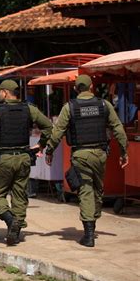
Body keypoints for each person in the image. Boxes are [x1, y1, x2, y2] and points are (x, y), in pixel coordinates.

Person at [45, 75, 128, 248]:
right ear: (91, 87)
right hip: (100, 154)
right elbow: (118, 128)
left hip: (80, 155)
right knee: (96, 189)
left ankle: (89, 234)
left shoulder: (69, 107)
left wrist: (49, 151)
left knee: (86, 190)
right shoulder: (104, 105)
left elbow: (57, 131)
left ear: (76, 89)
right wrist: (123, 151)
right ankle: (92, 223)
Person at [0, 79, 52, 246]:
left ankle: (11, 221)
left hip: (4, 159)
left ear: (5, 92)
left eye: (0, 91)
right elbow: (49, 127)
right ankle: (15, 234)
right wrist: (42, 144)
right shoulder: (30, 109)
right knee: (20, 196)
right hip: (24, 158)